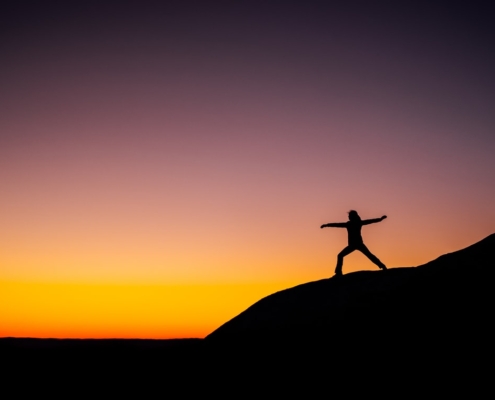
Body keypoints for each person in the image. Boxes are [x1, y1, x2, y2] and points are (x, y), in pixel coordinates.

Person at [321, 210, 387, 276]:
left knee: (369, 255)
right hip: (354, 245)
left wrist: (380, 219)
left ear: (353, 217)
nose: (349, 217)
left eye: (350, 216)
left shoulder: (355, 223)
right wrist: (326, 225)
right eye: (349, 216)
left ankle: (382, 266)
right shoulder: (351, 223)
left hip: (358, 244)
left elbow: (370, 221)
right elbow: (337, 225)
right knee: (341, 255)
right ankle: (338, 272)